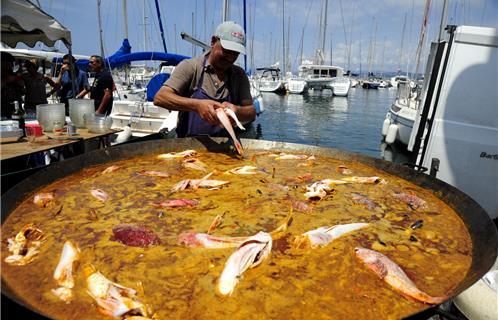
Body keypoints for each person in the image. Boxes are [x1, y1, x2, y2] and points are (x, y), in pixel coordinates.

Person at [153, 21, 255, 137]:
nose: (230, 57)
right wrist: (197, 105)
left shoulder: (239, 75)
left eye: (235, 53)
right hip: (188, 148)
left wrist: (237, 110)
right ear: (213, 41)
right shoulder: (190, 67)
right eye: (226, 51)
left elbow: (251, 111)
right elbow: (160, 98)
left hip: (226, 149)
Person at [1, 52, 25, 119]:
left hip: (16, 110)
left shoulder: (14, 75)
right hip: (3, 111)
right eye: (10, 63)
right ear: (2, 63)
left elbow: (22, 92)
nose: (12, 65)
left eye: (12, 63)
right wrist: (6, 80)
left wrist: (22, 85)